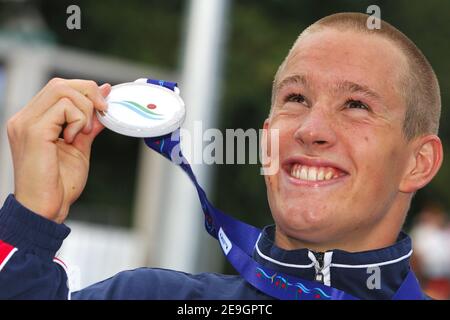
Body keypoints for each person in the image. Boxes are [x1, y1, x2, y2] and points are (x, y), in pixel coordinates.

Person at [0, 12, 443, 299]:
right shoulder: (148, 295)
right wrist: (33, 221)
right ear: (267, 140)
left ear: (417, 162)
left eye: (356, 106)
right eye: (295, 98)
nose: (311, 130)